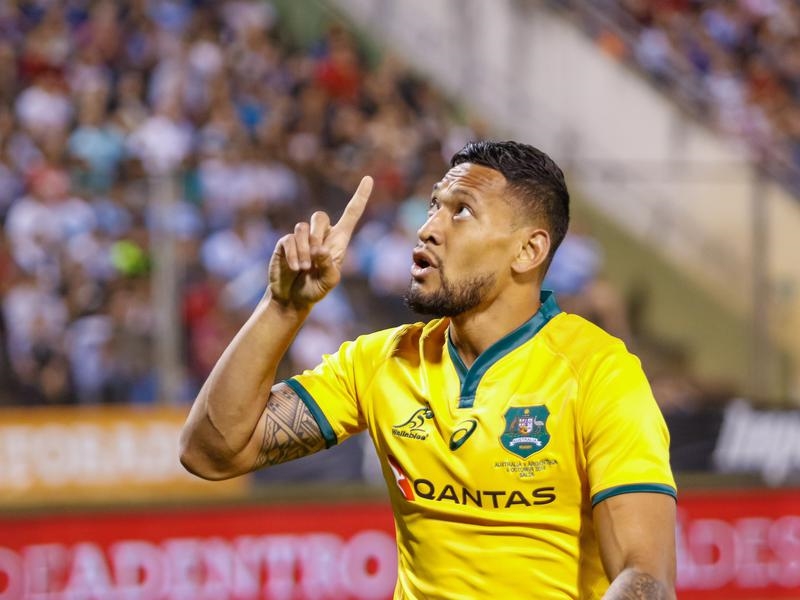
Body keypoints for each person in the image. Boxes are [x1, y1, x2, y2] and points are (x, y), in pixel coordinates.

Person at [179, 140, 677, 600]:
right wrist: (283, 307)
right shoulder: (381, 362)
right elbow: (210, 452)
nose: (428, 228)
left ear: (528, 251)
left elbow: (645, 577)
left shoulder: (599, 372)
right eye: (434, 205)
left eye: (461, 211)